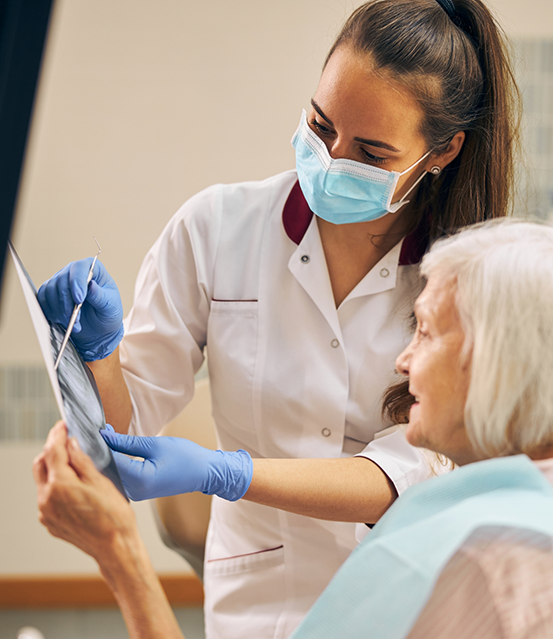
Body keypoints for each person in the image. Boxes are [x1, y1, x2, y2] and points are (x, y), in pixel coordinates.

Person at [36, 0, 520, 636]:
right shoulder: (216, 229)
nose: (331, 159)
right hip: (255, 596)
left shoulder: (465, 281)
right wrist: (96, 355)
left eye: (370, 154)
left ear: (442, 150)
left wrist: (229, 473)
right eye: (321, 127)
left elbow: (414, 469)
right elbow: (126, 431)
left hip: (406, 593)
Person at [35, 219, 553, 639]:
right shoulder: (478, 517)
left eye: (425, 330)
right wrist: (102, 359)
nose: (402, 360)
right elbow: (127, 421)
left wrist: (121, 555)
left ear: (500, 366)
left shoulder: (489, 566)